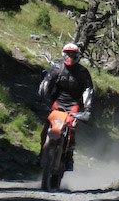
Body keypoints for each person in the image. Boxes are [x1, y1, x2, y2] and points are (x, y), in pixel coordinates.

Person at [37, 42, 93, 171]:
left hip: (74, 105)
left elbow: (88, 90)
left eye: (73, 55)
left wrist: (87, 109)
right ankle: (42, 152)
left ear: (78, 56)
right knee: (47, 127)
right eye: (68, 54)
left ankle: (69, 157)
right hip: (58, 103)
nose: (70, 57)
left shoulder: (83, 72)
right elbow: (46, 83)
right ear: (63, 54)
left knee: (72, 129)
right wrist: (38, 100)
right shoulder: (56, 68)